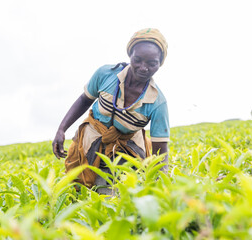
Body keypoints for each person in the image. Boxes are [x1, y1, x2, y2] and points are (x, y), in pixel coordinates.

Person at [52, 28, 170, 191]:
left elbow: (160, 152)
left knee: (110, 197)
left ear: (159, 64)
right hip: (90, 142)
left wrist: (162, 184)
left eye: (152, 63)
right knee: (76, 190)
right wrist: (61, 129)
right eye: (138, 60)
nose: (143, 68)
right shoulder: (106, 74)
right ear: (130, 56)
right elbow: (84, 100)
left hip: (125, 151)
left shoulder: (157, 103)